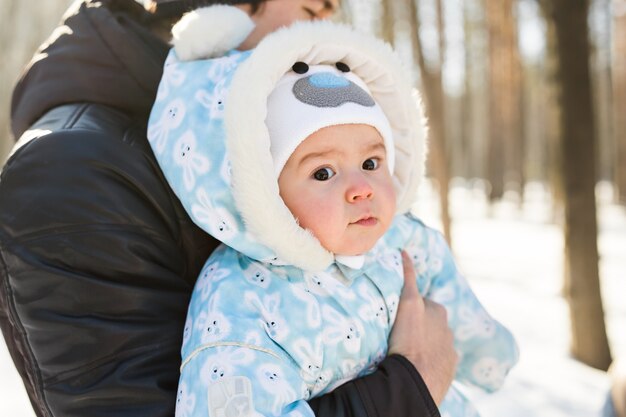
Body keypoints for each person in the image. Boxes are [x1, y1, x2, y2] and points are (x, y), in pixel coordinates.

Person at [0, 0, 457, 416]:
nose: (326, 27)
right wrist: (411, 384)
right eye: (314, 10)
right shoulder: (70, 174)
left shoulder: (267, 132)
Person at [148, 8, 519, 417]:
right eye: (323, 172)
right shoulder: (243, 302)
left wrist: (491, 356)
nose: (361, 189)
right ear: (265, 194)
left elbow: (451, 302)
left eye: (372, 163)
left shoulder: (402, 241)